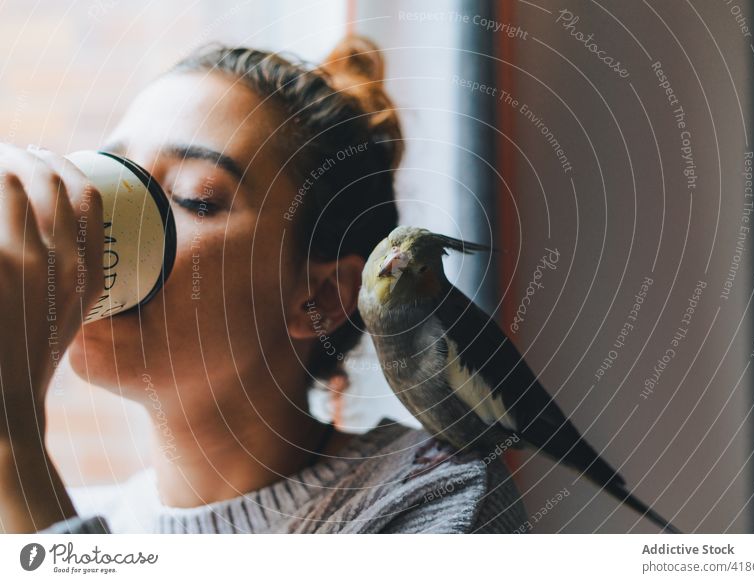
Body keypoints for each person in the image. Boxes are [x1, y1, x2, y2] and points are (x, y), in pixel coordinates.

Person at [0, 35, 526, 534]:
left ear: (320, 297)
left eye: (195, 198)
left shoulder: (433, 499)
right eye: (111, 179)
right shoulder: (74, 513)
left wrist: (13, 446)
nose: (102, 224)